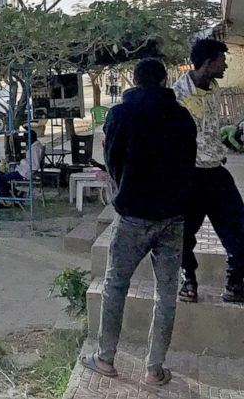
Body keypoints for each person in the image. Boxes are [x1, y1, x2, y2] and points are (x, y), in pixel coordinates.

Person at [82, 58, 196, 386]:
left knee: (115, 286)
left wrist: (124, 188)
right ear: (163, 82)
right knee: (166, 293)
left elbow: (113, 159)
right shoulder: (182, 117)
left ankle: (105, 359)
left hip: (132, 215)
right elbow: (189, 163)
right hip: (172, 216)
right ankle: (155, 368)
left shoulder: (121, 115)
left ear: (134, 80)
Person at [172, 38, 244, 304]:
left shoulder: (213, 89)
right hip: (190, 174)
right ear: (207, 63)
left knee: (238, 229)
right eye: (221, 61)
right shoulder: (178, 95)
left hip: (216, 172)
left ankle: (235, 284)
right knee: (184, 233)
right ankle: (188, 281)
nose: (225, 65)